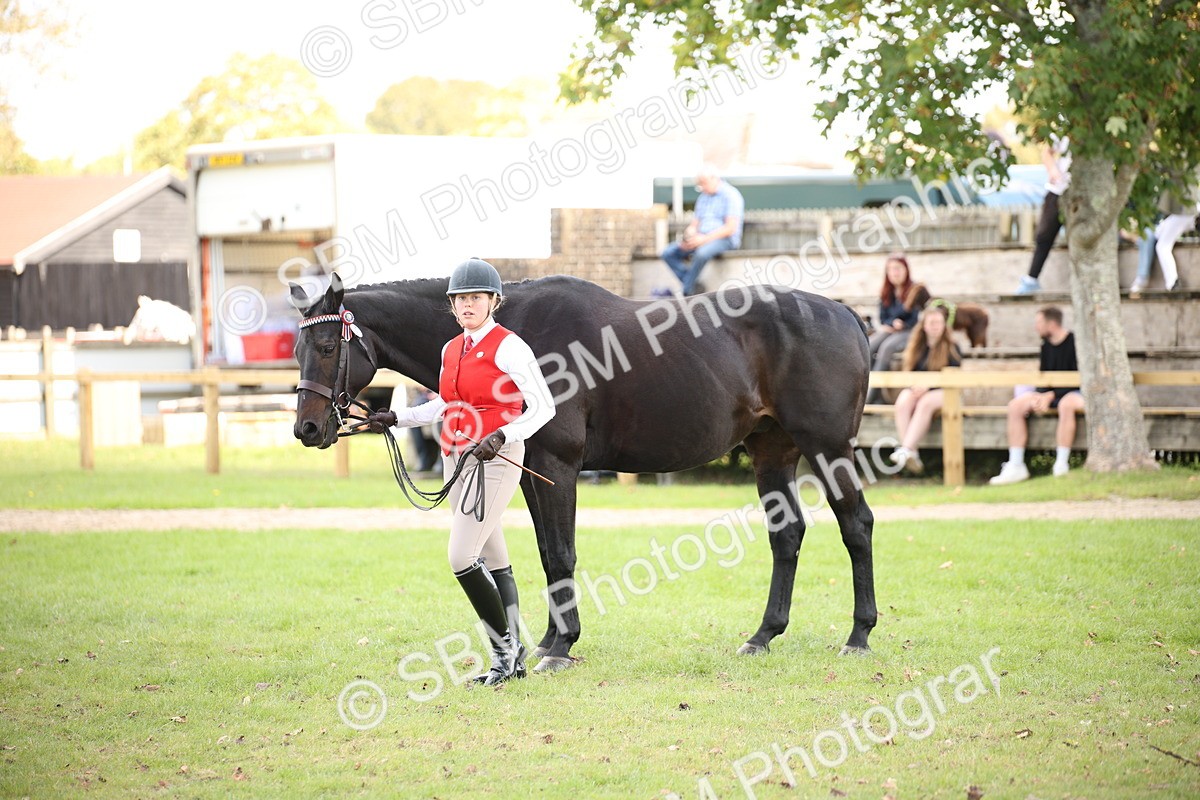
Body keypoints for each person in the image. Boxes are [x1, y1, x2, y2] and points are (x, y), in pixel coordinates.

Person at [369, 258, 556, 686]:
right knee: (493, 555)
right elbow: (445, 405)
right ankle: (515, 657)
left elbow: (543, 406)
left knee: (461, 556)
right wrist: (397, 418)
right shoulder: (451, 349)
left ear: (494, 301)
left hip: (494, 461)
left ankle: (504, 651)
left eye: (476, 297)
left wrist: (503, 436)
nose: (468, 305)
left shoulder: (510, 346)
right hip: (456, 457)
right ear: (452, 305)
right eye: (460, 299)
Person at [989, 305, 1085, 485]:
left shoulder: (1075, 343)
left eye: (1039, 322)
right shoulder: (1046, 345)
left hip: (1074, 392)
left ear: (1052, 323)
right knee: (1016, 405)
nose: (1036, 327)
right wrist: (1043, 395)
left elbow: (1079, 378)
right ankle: (1016, 464)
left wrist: (1051, 395)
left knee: (1067, 404)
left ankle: (1061, 463)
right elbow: (1044, 377)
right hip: (1051, 393)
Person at [888, 303, 962, 475]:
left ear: (944, 325)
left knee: (926, 403)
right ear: (924, 325)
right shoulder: (916, 347)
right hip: (919, 390)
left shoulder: (953, 347)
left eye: (939, 323)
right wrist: (915, 387)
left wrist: (929, 387)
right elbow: (909, 372)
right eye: (932, 323)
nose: (935, 326)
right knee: (904, 400)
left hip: (946, 392)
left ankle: (906, 448)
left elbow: (953, 376)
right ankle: (911, 452)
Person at [660, 164, 745, 295]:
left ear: (714, 179)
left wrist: (703, 240)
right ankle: (693, 284)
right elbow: (695, 224)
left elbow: (730, 228)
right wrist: (689, 235)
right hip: (701, 238)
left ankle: (687, 291)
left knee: (701, 253)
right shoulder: (703, 197)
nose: (702, 188)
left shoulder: (731, 195)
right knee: (668, 252)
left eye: (703, 184)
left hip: (724, 239)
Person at [1016, 135, 1071, 295]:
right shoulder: (1065, 133)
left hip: (1080, 195)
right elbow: (1047, 152)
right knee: (1043, 235)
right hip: (1057, 191)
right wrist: (1054, 171)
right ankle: (1031, 279)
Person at [865, 252, 922, 405]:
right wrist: (891, 323)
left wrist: (901, 323)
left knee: (886, 348)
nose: (894, 273)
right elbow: (882, 317)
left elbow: (915, 316)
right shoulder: (886, 291)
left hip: (909, 331)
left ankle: (871, 397)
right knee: (868, 346)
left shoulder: (914, 290)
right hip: (890, 329)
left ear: (905, 270)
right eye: (891, 269)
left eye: (898, 268)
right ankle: (862, 388)